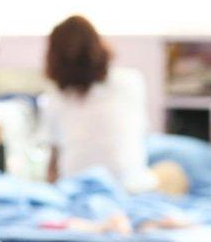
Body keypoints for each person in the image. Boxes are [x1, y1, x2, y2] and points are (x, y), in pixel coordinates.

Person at [41, 15, 188, 195]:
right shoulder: (131, 80)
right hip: (129, 185)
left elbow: (53, 163)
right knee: (171, 171)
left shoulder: (56, 95)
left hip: (76, 186)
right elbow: (140, 134)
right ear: (98, 45)